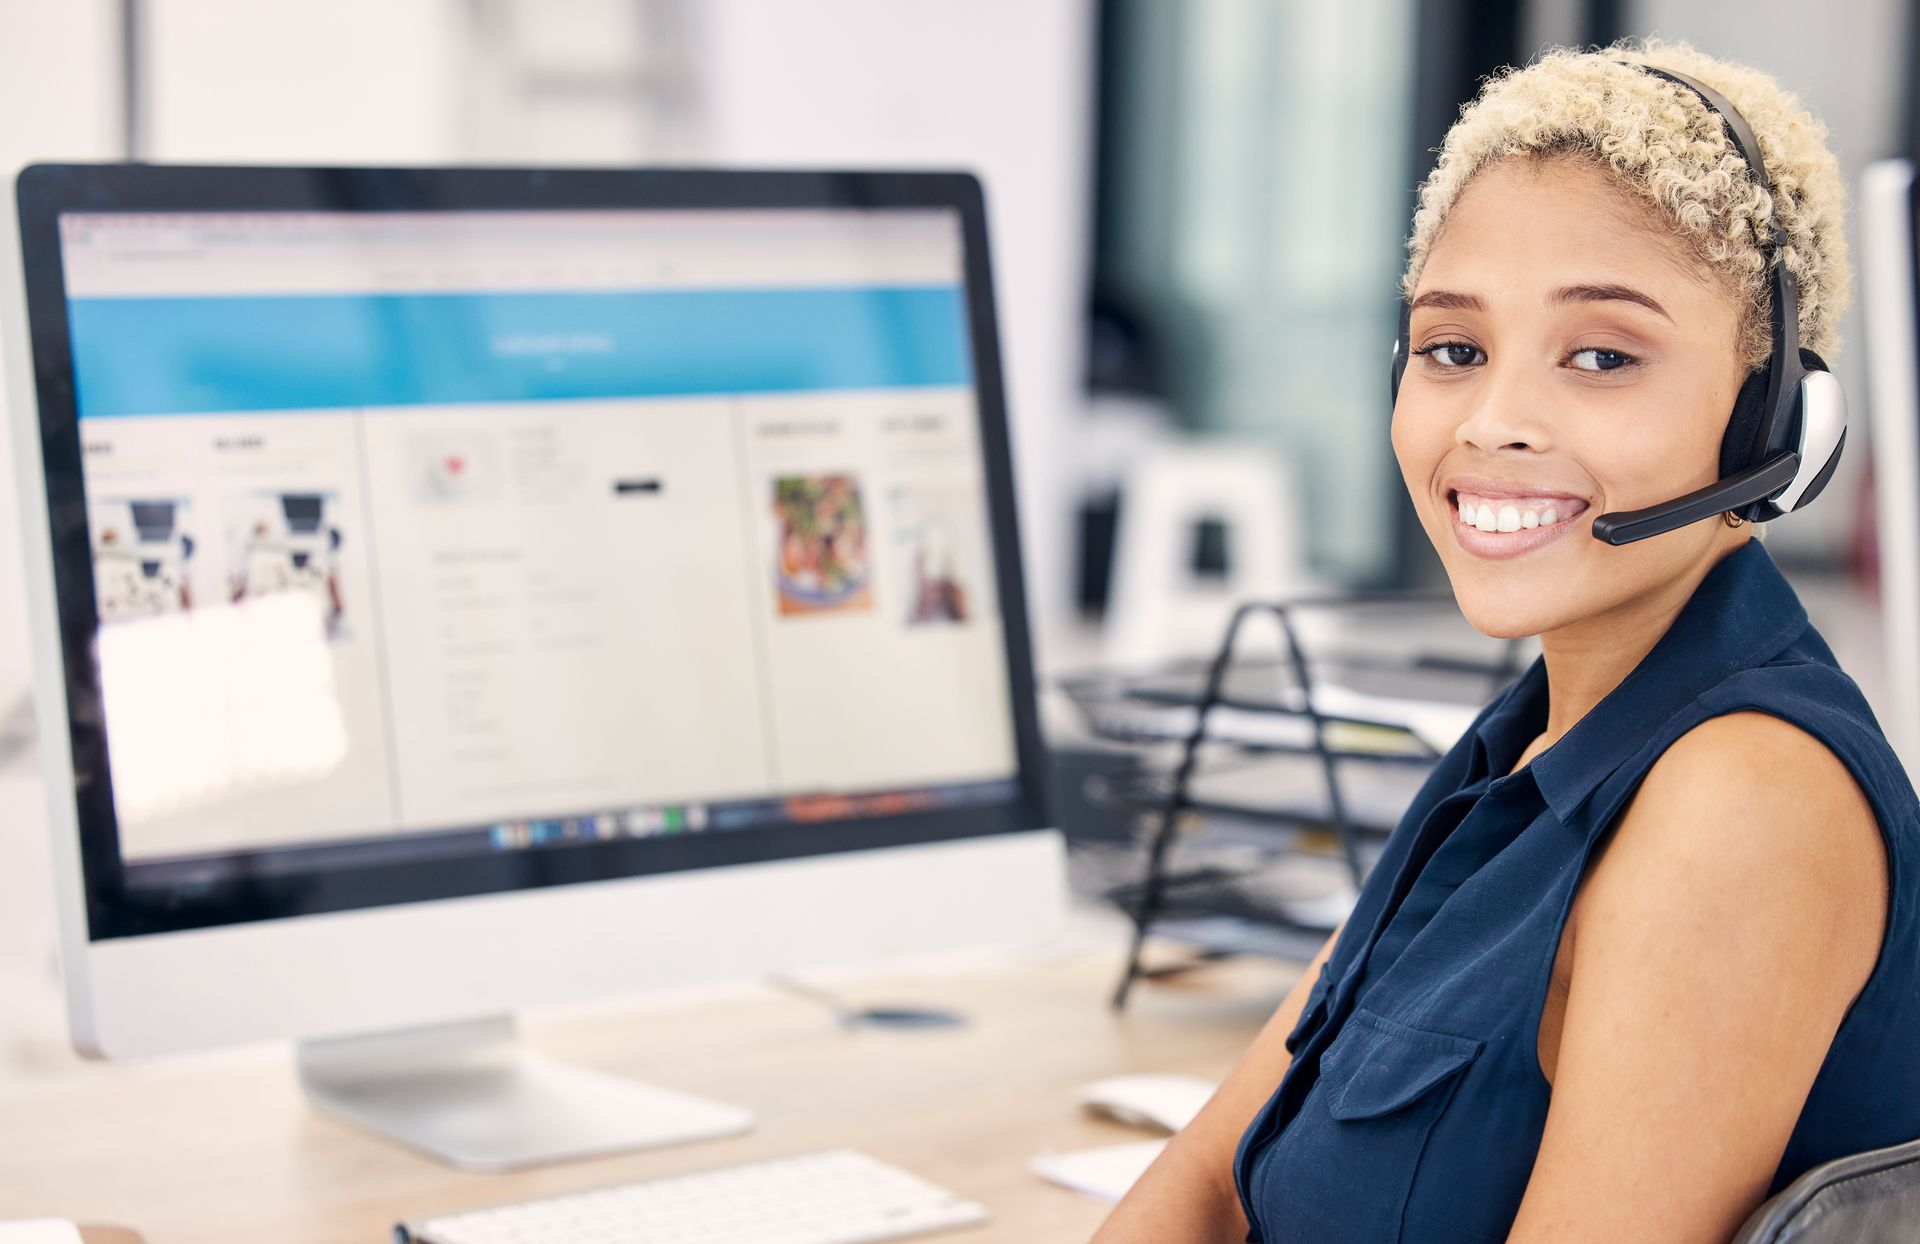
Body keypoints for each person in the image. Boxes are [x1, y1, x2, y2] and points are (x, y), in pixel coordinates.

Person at [1091, 39, 1919, 1244]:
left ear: (1775, 414)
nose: (1494, 422)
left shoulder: (1746, 802)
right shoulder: (1528, 747)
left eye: (1601, 355)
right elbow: (1209, 1184)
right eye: (1453, 348)